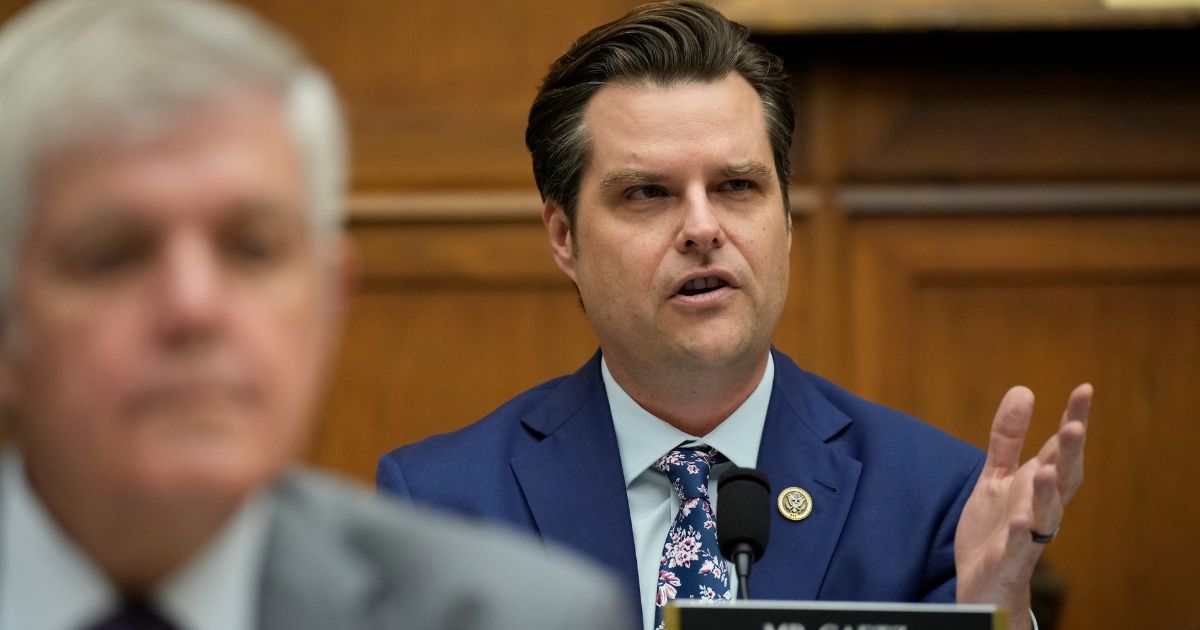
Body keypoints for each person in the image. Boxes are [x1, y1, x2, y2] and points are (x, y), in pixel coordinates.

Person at [377, 3, 1090, 630]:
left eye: (737, 186)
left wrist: (993, 617)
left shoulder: (933, 497)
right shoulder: (441, 503)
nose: (701, 227)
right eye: (648, 192)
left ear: (785, 220)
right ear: (565, 237)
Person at [0, 1, 630, 629]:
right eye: (111, 257)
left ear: (328, 302)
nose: (194, 307)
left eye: (252, 249)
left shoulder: (513, 618)